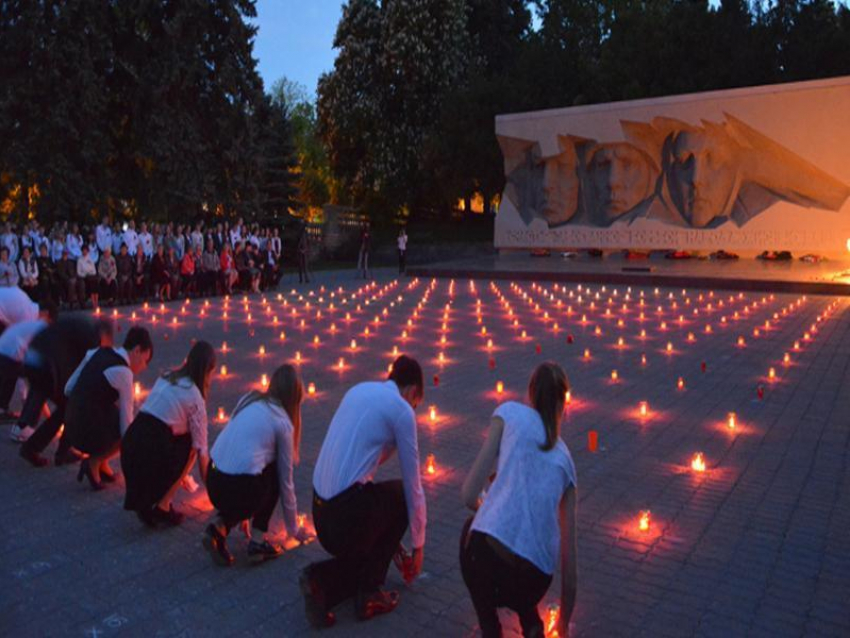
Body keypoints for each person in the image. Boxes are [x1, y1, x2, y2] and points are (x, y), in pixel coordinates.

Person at [302, 355, 427, 628]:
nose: (413, 410)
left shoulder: (358, 390)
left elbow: (363, 474)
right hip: (344, 516)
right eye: (416, 404)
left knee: (367, 544)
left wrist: (392, 545)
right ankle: (370, 592)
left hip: (321, 512)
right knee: (400, 494)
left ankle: (319, 581)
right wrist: (418, 546)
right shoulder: (401, 410)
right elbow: (413, 485)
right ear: (413, 391)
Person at [459, 362, 578, 638]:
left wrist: (491, 509)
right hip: (533, 581)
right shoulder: (566, 462)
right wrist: (563, 625)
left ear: (531, 392)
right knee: (525, 562)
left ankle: (490, 628)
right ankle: (531, 622)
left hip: (487, 563)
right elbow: (569, 564)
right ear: (564, 402)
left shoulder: (508, 414)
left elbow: (467, 495)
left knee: (470, 529)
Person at [203, 364, 314, 566]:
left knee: (251, 477)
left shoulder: (249, 398)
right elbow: (286, 482)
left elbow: (239, 449)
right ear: (294, 400)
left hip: (213, 479)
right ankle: (257, 541)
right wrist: (294, 530)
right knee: (274, 473)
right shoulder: (283, 423)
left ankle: (217, 528)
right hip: (238, 488)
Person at [122, 341, 215, 527]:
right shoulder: (195, 396)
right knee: (191, 445)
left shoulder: (167, 376)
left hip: (130, 444)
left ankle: (147, 503)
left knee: (177, 437)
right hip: (149, 453)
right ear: (208, 371)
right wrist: (214, 493)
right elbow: (201, 451)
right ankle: (163, 506)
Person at [64, 327, 153, 490]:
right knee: (131, 428)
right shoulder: (124, 373)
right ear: (137, 351)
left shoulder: (97, 352)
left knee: (112, 412)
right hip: (84, 433)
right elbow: (126, 427)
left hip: (70, 427)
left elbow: (68, 388)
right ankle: (94, 462)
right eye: (145, 361)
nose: (144, 367)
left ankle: (102, 465)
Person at [17, 317, 104, 467]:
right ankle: (61, 452)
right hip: (48, 365)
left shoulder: (74, 324)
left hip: (32, 359)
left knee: (66, 407)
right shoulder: (90, 336)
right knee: (74, 405)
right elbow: (93, 365)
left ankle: (32, 447)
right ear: (103, 335)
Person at [1, 302, 57, 433]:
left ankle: (4, 410)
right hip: (8, 355)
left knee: (21, 376)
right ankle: (24, 426)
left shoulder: (30, 321)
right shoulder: (41, 327)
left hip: (4, 350)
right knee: (39, 382)